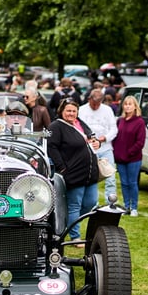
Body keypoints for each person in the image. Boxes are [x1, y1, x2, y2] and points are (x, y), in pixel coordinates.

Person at [47, 98, 101, 245]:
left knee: (91, 202)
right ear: (62, 111)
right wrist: (62, 167)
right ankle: (75, 236)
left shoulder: (80, 123)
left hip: (90, 172)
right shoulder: (56, 126)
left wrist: (97, 142)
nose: (71, 114)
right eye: (68, 111)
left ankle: (68, 224)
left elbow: (91, 137)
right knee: (74, 204)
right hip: (74, 173)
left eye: (74, 111)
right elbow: (51, 147)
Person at [78, 88, 118, 202]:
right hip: (88, 149)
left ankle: (111, 203)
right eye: (93, 104)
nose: (96, 106)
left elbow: (113, 129)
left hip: (105, 147)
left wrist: (103, 139)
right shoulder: (82, 110)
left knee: (110, 177)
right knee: (90, 178)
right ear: (89, 99)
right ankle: (91, 203)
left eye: (98, 104)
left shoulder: (107, 110)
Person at [113, 95, 146, 216]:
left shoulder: (139, 122)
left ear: (135, 106)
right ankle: (126, 207)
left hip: (133, 159)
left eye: (130, 104)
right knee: (124, 183)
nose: (127, 106)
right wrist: (116, 152)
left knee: (132, 183)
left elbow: (140, 142)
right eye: (125, 104)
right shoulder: (119, 121)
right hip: (120, 158)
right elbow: (115, 137)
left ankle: (134, 208)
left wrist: (129, 152)